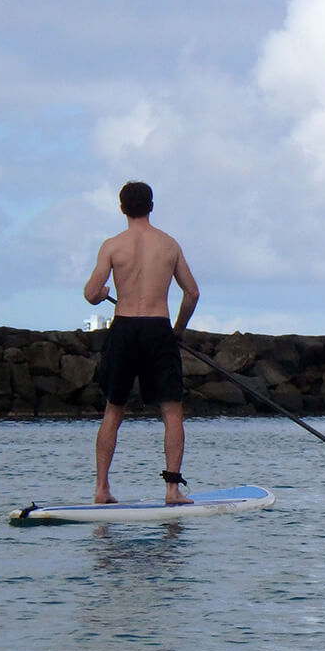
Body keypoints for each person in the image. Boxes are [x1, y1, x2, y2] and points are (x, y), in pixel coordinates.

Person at [83, 181, 200, 505]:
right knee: (171, 411)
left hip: (124, 329)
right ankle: (172, 490)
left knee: (113, 411)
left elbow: (91, 294)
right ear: (151, 206)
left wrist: (104, 294)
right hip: (158, 329)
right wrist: (179, 329)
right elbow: (192, 293)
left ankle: (102, 489)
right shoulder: (169, 245)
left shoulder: (112, 246)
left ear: (122, 208)